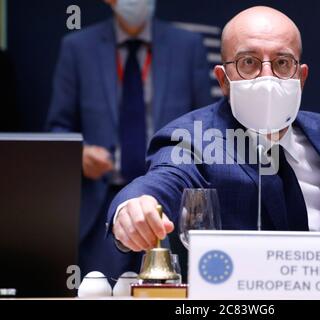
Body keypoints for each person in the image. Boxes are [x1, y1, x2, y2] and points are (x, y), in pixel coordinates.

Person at [107, 6, 320, 285]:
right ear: (223, 79)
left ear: (301, 78)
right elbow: (162, 181)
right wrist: (131, 208)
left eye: (283, 63)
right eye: (249, 62)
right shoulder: (193, 137)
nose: (267, 77)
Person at [46, 0, 212, 279]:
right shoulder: (78, 47)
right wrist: (80, 154)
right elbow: (58, 128)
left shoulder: (187, 45)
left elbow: (207, 125)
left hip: (169, 203)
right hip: (101, 206)